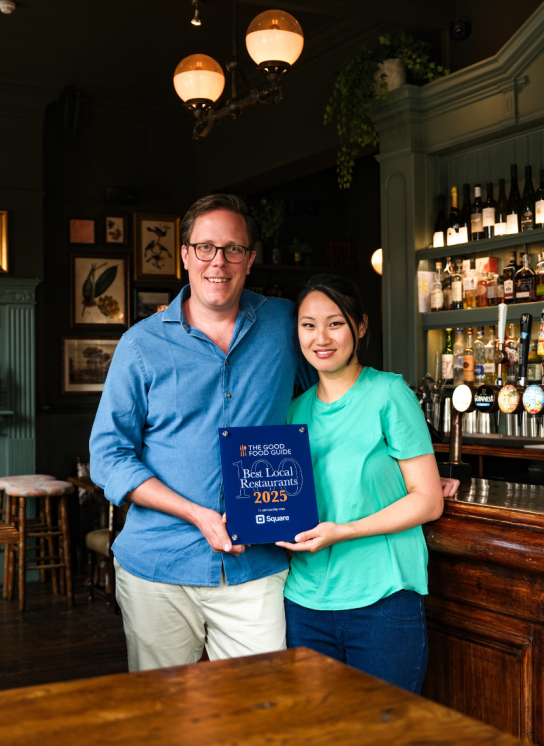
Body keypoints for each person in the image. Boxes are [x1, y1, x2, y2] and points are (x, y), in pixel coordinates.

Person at [90, 194, 316, 671]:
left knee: (259, 703)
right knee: (167, 709)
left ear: (250, 259)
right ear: (185, 255)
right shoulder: (140, 344)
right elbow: (108, 456)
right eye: (205, 247)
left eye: (233, 249)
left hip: (256, 563)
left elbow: (335, 398)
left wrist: (405, 466)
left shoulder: (284, 324)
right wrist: (197, 514)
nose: (219, 262)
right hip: (159, 565)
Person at [276, 274, 445, 694]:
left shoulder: (389, 393)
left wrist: (344, 531)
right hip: (305, 603)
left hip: (381, 601)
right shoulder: (293, 411)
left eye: (335, 323)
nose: (321, 338)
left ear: (361, 326)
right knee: (319, 727)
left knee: (385, 725)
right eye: (308, 325)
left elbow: (428, 499)